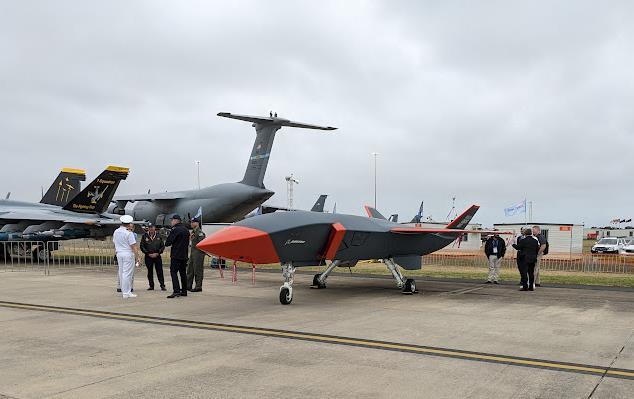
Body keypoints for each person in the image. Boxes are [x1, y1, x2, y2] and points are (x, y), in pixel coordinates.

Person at [113, 215, 141, 298]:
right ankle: (126, 292)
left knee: (122, 272)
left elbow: (114, 242)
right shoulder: (129, 233)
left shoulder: (116, 231)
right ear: (129, 224)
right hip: (128, 254)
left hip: (119, 253)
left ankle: (125, 291)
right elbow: (134, 246)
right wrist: (138, 257)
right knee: (127, 273)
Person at [165, 215, 190, 298]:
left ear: (176, 221)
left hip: (176, 255)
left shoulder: (175, 229)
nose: (171, 222)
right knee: (183, 273)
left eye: (172, 220)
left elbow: (168, 242)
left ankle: (176, 290)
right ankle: (184, 291)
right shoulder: (186, 230)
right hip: (184, 255)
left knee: (173, 272)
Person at [140, 223, 166, 291]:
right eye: (149, 227)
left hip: (157, 256)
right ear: (148, 228)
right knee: (150, 271)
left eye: (152, 227)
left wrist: (158, 253)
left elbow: (162, 246)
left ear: (154, 228)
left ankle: (162, 285)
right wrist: (148, 253)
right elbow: (142, 246)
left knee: (160, 271)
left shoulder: (159, 236)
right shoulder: (144, 236)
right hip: (148, 256)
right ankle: (151, 286)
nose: (151, 228)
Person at [187, 217, 206, 292]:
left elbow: (202, 243)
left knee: (198, 270)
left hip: (198, 253)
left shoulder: (200, 232)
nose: (191, 224)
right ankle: (188, 286)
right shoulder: (193, 232)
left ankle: (198, 286)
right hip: (192, 253)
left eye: (193, 222)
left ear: (197, 223)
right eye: (191, 222)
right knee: (190, 270)